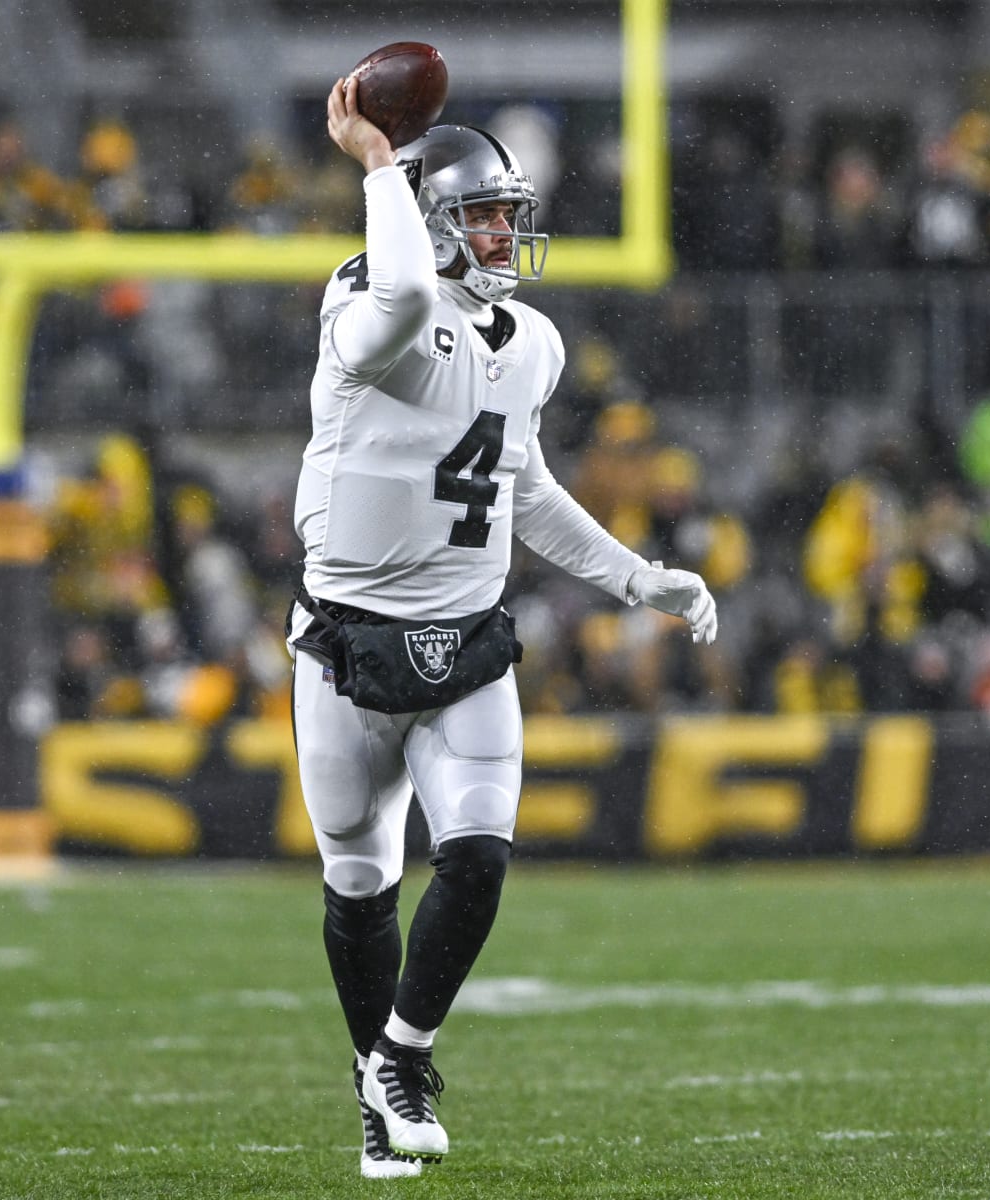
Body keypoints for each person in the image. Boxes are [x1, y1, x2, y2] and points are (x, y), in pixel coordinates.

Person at [289, 77, 719, 1180]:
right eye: (480, 214)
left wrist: (636, 578)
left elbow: (522, 487)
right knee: (359, 882)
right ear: (428, 218)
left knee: (478, 859)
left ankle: (402, 1055)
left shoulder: (532, 342)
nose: (502, 235)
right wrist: (377, 163)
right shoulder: (366, 300)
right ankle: (374, 1086)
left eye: (505, 215)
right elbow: (399, 294)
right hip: (348, 641)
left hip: (468, 636)